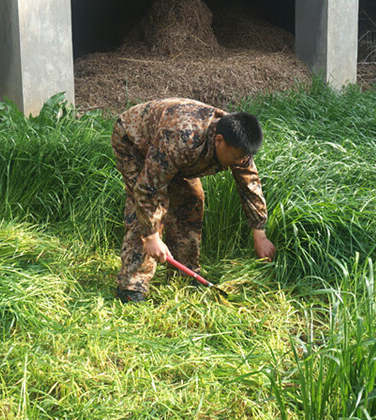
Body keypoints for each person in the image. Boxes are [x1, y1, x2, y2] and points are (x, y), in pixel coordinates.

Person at [111, 97, 277, 303]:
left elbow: (250, 184)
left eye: (242, 159)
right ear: (219, 141)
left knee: (192, 199)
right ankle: (131, 285)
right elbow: (148, 190)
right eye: (235, 158)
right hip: (133, 139)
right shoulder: (183, 138)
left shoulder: (238, 143)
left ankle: (186, 273)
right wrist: (152, 236)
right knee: (147, 211)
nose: (238, 163)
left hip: (169, 149)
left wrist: (259, 233)